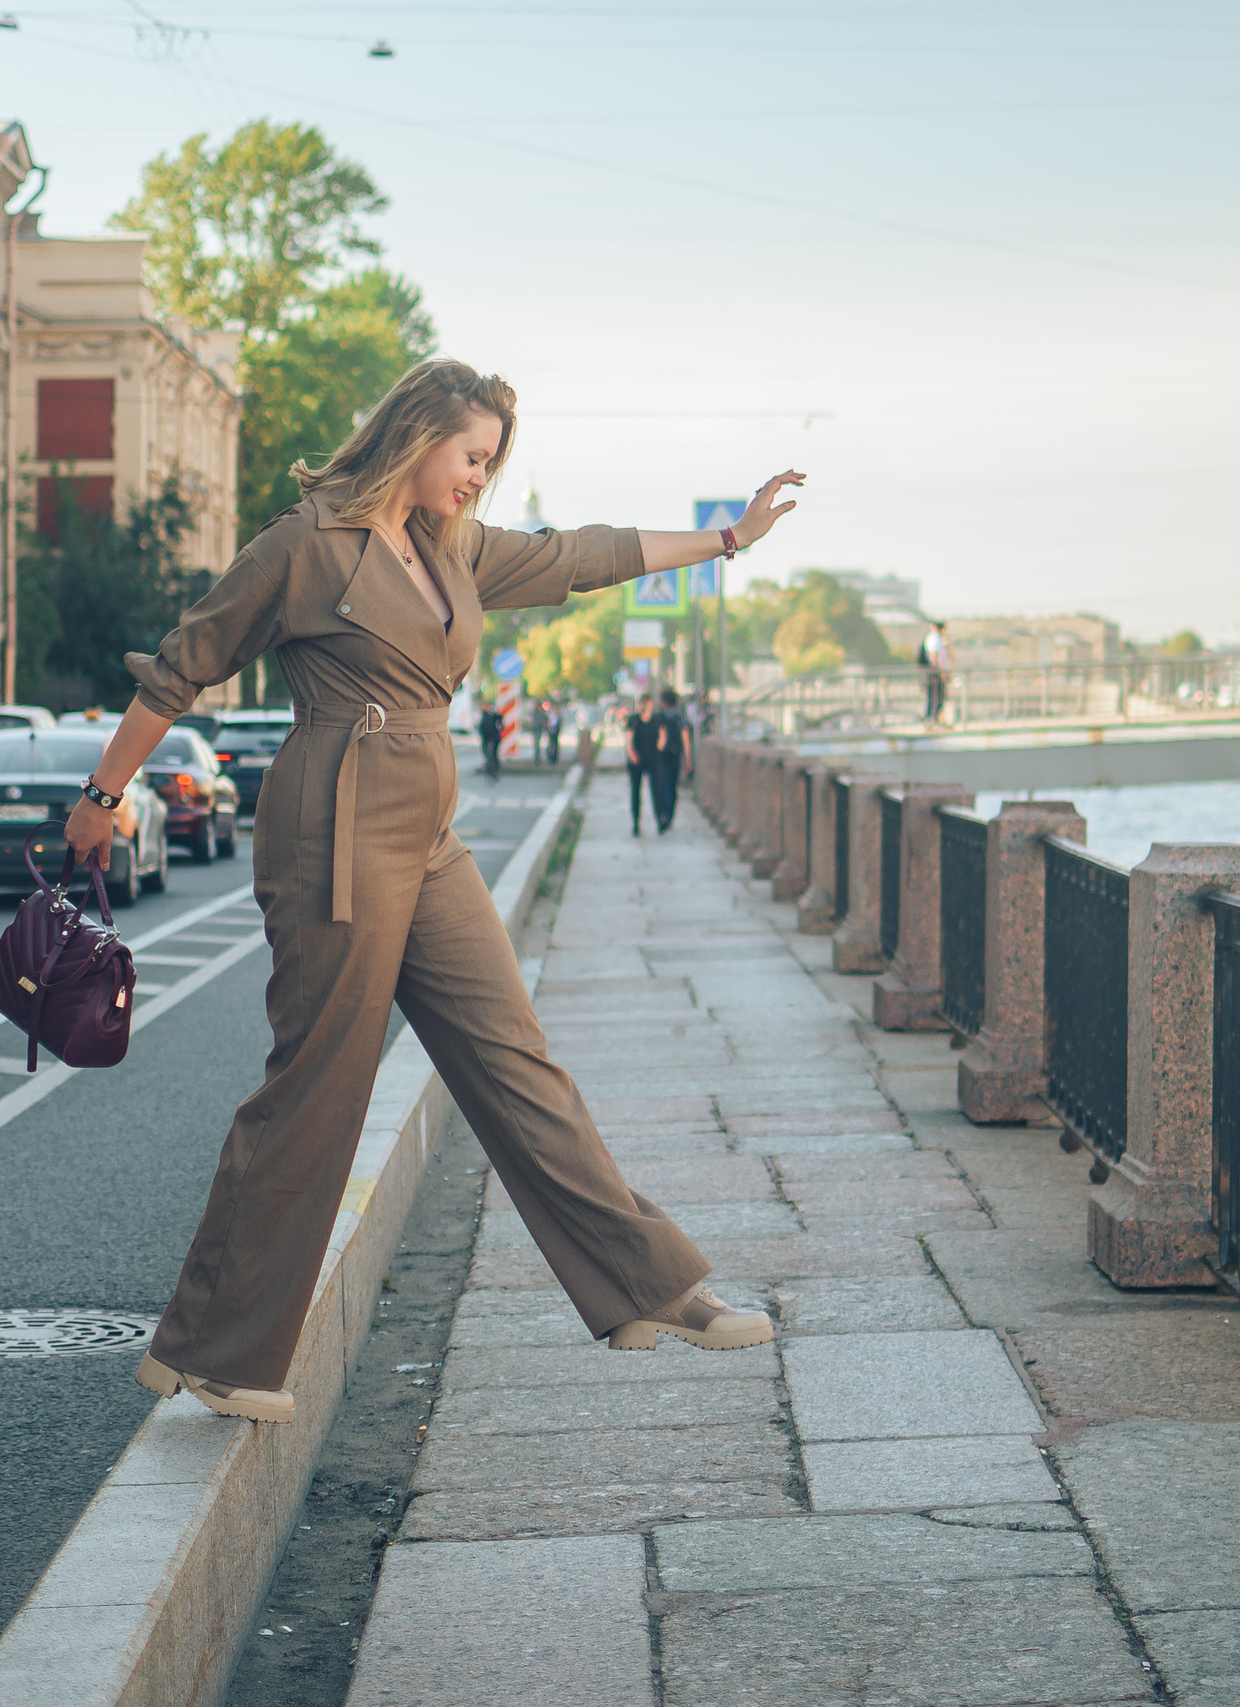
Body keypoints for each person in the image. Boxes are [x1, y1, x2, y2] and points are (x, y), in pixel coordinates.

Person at [64, 357, 805, 1422]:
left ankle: (647, 1285)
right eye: (470, 455)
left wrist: (728, 537)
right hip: (334, 823)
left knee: (514, 1056)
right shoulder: (303, 545)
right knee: (320, 1080)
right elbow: (183, 666)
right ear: (417, 433)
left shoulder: (452, 548)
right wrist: (103, 794)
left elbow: (580, 555)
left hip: (427, 830)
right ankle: (217, 1350)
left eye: (490, 462)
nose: (478, 478)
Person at [646, 684, 691, 833]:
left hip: (659, 757)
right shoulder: (680, 717)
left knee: (660, 786)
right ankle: (669, 815)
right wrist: (688, 759)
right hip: (675, 756)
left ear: (663, 702)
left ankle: (662, 815)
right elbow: (686, 739)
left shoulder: (658, 717)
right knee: (672, 786)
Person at [622, 695, 654, 835]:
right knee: (636, 791)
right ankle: (635, 821)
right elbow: (628, 738)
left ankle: (660, 818)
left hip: (651, 759)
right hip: (636, 760)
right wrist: (631, 754)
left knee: (656, 789)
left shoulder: (655, 719)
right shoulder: (634, 720)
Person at [919, 620, 951, 723]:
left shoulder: (937, 638)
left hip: (934, 672)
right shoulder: (934, 638)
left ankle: (934, 718)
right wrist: (940, 671)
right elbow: (934, 656)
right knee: (935, 696)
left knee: (937, 696)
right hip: (934, 673)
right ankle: (931, 719)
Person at [476, 699, 505, 777]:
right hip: (488, 737)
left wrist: (501, 727)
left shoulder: (489, 715)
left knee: (492, 754)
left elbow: (500, 718)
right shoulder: (486, 715)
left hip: (492, 737)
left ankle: (493, 769)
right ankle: (492, 769)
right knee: (489, 753)